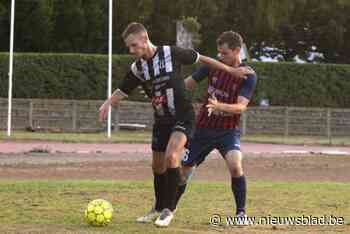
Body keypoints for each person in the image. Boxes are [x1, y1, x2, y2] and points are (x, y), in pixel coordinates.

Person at [99, 23, 254, 227]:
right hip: (179, 123)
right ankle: (159, 206)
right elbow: (128, 88)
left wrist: (228, 79)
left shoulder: (171, 53)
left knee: (179, 157)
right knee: (164, 167)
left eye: (133, 45)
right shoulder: (138, 67)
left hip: (199, 122)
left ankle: (171, 210)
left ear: (145, 39)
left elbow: (203, 61)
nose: (131, 50)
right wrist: (109, 102)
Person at [176, 30, 257, 225]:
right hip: (202, 129)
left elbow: (240, 107)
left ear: (237, 50)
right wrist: (168, 89)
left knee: (235, 165)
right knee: (183, 172)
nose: (220, 57)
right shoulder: (211, 66)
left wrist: (219, 106)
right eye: (219, 53)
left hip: (227, 131)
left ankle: (241, 214)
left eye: (224, 53)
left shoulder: (248, 75)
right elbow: (186, 84)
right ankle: (169, 207)